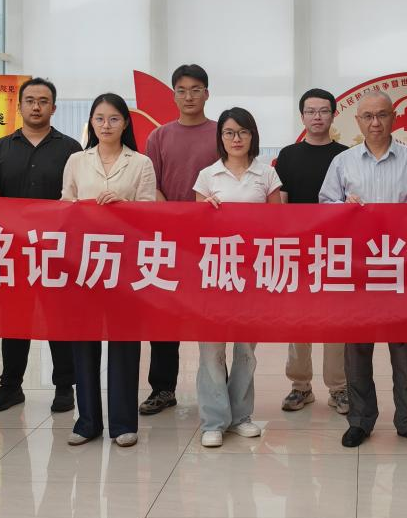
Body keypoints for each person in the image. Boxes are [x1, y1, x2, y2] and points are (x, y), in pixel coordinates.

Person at [319, 90, 407, 449]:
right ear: (357, 121)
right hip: (357, 268)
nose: (375, 123)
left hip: (398, 267)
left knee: (403, 349)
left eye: (382, 115)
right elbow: (324, 206)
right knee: (357, 348)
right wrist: (344, 206)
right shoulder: (343, 162)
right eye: (368, 116)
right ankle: (360, 419)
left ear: (394, 118)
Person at [0, 77, 82, 414]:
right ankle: (10, 386)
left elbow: (77, 198)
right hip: (13, 250)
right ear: (20, 106)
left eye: (43, 101)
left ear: (54, 107)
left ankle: (64, 387)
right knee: (14, 319)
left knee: (59, 319)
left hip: (57, 249)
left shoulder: (72, 150)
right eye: (30, 100)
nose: (36, 107)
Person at [61, 94, 158, 446]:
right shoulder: (76, 160)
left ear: (125, 123)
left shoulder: (141, 163)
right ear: (91, 122)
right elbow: (64, 205)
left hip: (126, 264)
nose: (106, 125)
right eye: (99, 118)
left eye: (114, 119)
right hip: (84, 262)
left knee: (124, 343)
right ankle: (87, 421)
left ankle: (123, 423)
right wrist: (82, 207)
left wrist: (124, 205)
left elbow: (150, 214)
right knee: (84, 340)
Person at [193, 107, 283, 447]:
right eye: (229, 132)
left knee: (246, 349)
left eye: (243, 132)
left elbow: (278, 224)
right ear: (221, 137)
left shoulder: (267, 174)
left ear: (252, 136)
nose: (236, 138)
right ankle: (214, 421)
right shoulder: (207, 176)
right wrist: (206, 212)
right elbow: (193, 228)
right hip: (216, 271)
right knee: (211, 349)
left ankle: (241, 416)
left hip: (253, 272)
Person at [139, 64, 219, 416]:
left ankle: (216, 388)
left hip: (211, 239)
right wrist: (174, 218)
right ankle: (162, 388)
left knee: (211, 316)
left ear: (207, 93)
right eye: (182, 90)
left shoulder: (220, 133)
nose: (189, 96)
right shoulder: (159, 136)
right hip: (168, 238)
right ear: (173, 95)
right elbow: (151, 184)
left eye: (196, 89)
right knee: (164, 315)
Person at [274, 88, 349, 415]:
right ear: (302, 116)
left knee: (336, 322)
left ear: (333, 115)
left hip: (336, 249)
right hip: (298, 249)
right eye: (310, 111)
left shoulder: (346, 156)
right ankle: (300, 386)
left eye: (323, 111)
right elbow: (282, 203)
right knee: (298, 320)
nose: (317, 117)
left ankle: (339, 388)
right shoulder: (288, 155)